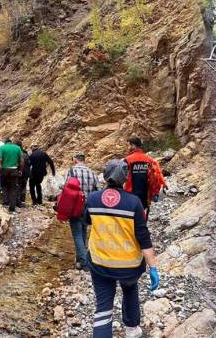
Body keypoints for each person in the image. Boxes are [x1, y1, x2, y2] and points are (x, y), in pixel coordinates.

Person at [84, 160, 159, 338]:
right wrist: (153, 267)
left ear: (105, 175)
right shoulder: (134, 202)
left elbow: (87, 221)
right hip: (129, 265)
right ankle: (132, 329)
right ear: (125, 179)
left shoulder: (93, 198)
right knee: (130, 289)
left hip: (100, 262)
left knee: (103, 306)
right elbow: (143, 237)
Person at [65, 152, 100, 270]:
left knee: (77, 233)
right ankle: (80, 259)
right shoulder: (92, 173)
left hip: (75, 205)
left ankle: (85, 262)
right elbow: (98, 190)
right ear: (84, 160)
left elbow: (66, 188)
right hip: (88, 206)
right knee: (84, 230)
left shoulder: (72, 171)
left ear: (75, 160)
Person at [124, 137, 166, 218]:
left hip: (130, 196)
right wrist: (154, 194)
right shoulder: (149, 160)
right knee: (142, 220)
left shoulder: (127, 160)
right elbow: (153, 179)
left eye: (128, 145)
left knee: (130, 221)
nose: (127, 148)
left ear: (133, 145)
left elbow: (122, 178)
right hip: (145, 197)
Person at [0, 138, 24, 212]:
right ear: (11, 142)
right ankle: (12, 206)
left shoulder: (2, 147)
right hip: (14, 170)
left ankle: (5, 202)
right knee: (13, 188)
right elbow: (21, 160)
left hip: (4, 170)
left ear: (5, 142)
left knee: (4, 186)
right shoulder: (17, 148)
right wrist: (20, 170)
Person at [16, 140, 31, 207]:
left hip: (19, 172)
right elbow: (29, 163)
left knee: (18, 186)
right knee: (24, 187)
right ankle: (22, 201)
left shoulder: (17, 154)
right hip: (26, 173)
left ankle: (18, 202)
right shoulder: (25, 153)